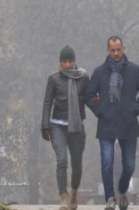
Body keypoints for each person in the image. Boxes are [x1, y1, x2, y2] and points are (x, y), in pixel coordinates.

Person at [85, 36, 139, 210]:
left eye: (118, 49)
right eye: (112, 50)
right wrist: (100, 112)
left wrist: (135, 109)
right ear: (108, 50)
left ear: (123, 48)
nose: (116, 53)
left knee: (129, 164)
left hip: (128, 123)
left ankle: (122, 189)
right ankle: (110, 198)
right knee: (107, 162)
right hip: (107, 124)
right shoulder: (100, 72)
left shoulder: (134, 70)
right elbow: (88, 95)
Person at [41, 45, 90, 210]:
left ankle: (74, 193)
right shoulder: (54, 79)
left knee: (77, 164)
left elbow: (89, 98)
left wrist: (100, 107)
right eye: (64, 61)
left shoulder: (83, 77)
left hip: (77, 128)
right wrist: (45, 126)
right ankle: (63, 197)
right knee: (61, 161)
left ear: (74, 61)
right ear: (60, 63)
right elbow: (47, 102)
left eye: (70, 61)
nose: (67, 65)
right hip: (58, 126)